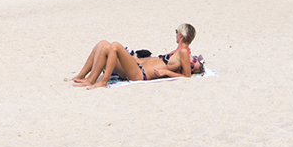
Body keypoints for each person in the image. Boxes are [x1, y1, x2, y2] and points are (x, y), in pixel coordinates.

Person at [70, 24, 203, 89]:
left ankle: (103, 82)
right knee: (103, 44)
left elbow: (187, 77)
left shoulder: (184, 52)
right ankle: (83, 77)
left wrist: (166, 72)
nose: (175, 34)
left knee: (115, 46)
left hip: (141, 74)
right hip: (138, 67)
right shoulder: (179, 50)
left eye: (177, 32)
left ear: (182, 36)